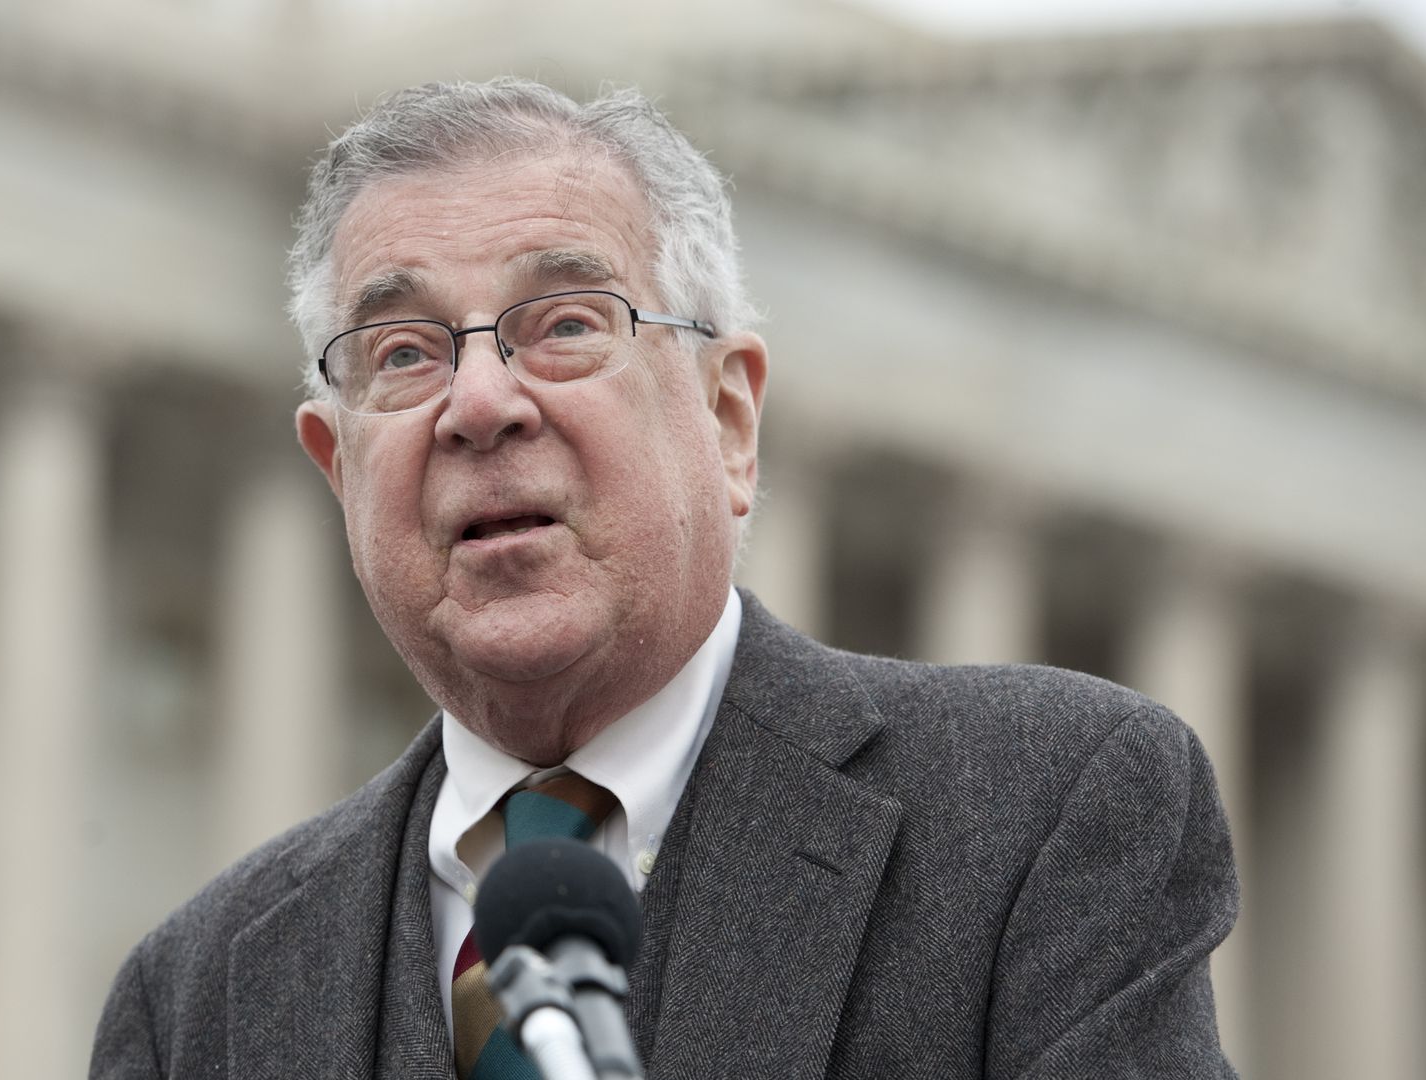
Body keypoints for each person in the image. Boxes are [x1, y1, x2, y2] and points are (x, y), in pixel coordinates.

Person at [91, 78, 1238, 1079]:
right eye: (402, 353)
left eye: (568, 324)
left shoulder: (1045, 814)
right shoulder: (193, 1000)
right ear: (338, 471)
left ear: (730, 419)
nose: (480, 403)